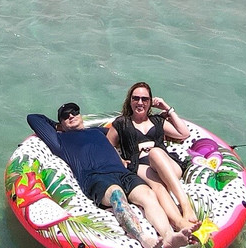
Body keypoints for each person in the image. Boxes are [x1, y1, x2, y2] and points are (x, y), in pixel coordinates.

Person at [28, 103, 195, 248]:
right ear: (61, 123)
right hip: (96, 178)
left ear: (81, 115)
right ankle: (142, 237)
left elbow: (128, 131)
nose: (71, 115)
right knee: (117, 195)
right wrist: (58, 126)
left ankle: (168, 237)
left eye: (74, 111)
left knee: (148, 195)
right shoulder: (59, 140)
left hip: (123, 173)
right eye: (65, 116)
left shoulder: (98, 131)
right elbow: (33, 118)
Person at [108, 82, 198, 228]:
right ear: (129, 101)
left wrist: (167, 107)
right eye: (135, 98)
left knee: (155, 153)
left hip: (167, 164)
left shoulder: (158, 121)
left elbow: (184, 134)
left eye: (145, 99)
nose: (140, 102)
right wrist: (120, 159)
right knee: (158, 187)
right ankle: (179, 222)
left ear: (150, 102)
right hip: (140, 165)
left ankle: (186, 207)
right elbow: (107, 145)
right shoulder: (121, 123)